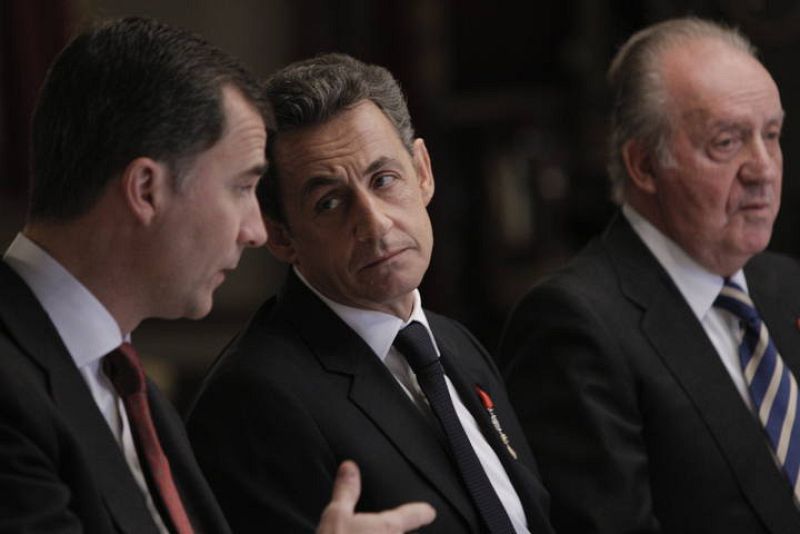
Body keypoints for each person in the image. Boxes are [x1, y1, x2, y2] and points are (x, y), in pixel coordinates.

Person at [0, 17, 434, 533]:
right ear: (146, 190)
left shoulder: (131, 387)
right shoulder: (14, 387)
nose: (256, 231)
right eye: (241, 187)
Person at [186, 53, 554, 534]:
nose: (374, 223)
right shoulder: (252, 402)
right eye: (329, 202)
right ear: (279, 236)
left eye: (383, 180)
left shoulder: (455, 345)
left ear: (422, 172)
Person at [499, 16, 800, 534]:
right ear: (643, 165)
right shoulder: (573, 325)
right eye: (726, 142)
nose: (764, 168)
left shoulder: (786, 283)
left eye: (771, 135)